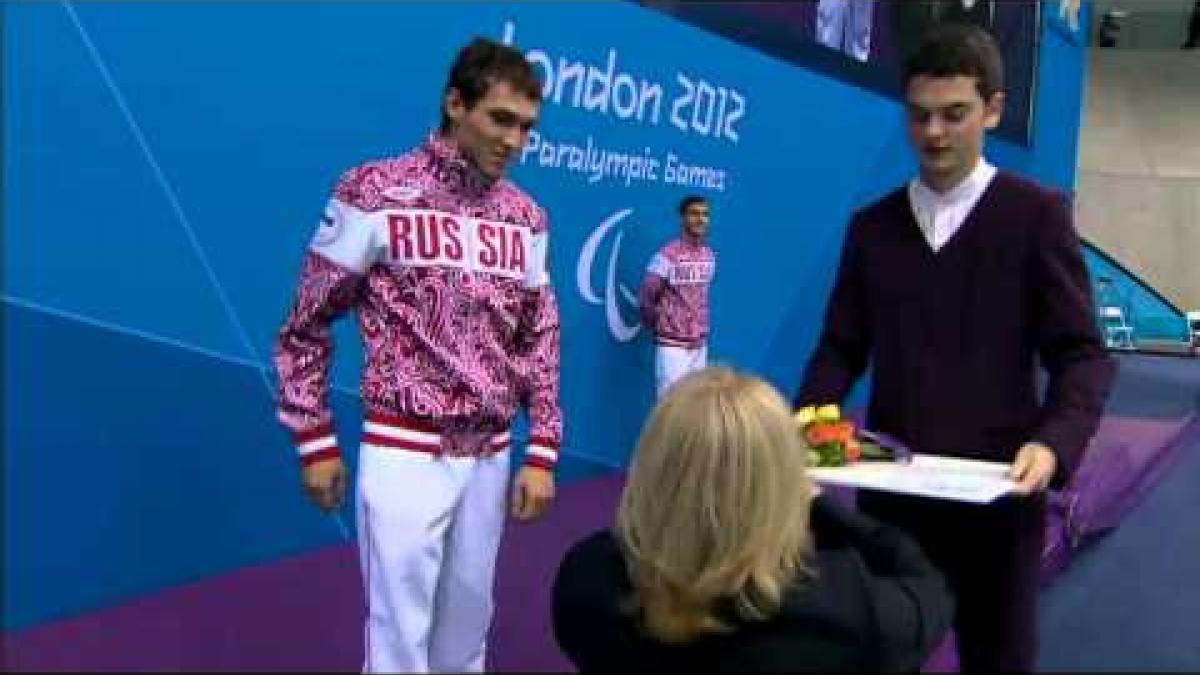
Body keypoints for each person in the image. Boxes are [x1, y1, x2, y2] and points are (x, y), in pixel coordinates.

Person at [794, 23, 1115, 672]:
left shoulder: (1036, 217)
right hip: (892, 502)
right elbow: (839, 347)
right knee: (880, 658)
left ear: (993, 109)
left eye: (954, 114)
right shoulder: (872, 228)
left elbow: (1084, 354)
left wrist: (1053, 444)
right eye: (919, 116)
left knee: (997, 660)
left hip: (999, 502)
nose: (934, 133)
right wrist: (798, 430)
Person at [272, 37, 562, 673]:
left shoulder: (528, 218)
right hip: (405, 451)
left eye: (527, 128)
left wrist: (542, 447)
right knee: (399, 645)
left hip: (490, 456)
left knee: (466, 642)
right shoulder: (374, 191)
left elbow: (540, 337)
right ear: (455, 103)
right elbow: (305, 326)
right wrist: (314, 439)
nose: (515, 141)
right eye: (500, 119)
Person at [552, 367, 953, 673]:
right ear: (785, 486)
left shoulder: (588, 587)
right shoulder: (847, 612)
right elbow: (926, 585)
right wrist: (819, 506)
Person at [638, 195, 717, 398]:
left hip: (699, 346)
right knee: (670, 406)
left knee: (695, 408)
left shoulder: (709, 255)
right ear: (682, 218)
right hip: (672, 347)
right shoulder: (666, 256)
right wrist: (664, 326)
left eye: (705, 214)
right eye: (694, 214)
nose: (701, 219)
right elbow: (647, 297)